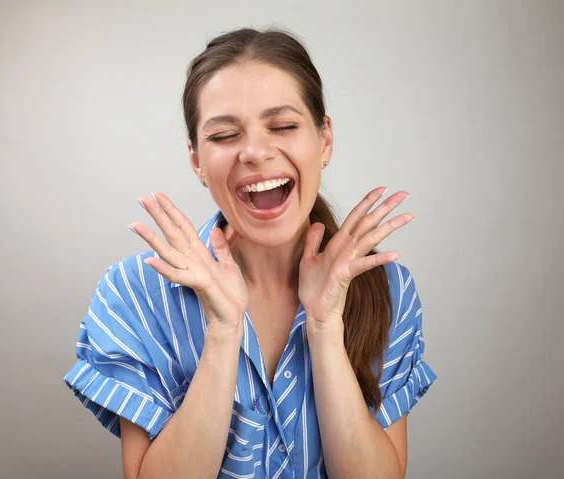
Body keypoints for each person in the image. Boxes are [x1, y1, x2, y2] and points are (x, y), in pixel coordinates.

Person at [63, 27, 437, 479]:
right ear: (197, 161)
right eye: (224, 135)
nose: (256, 152)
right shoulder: (133, 294)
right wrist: (223, 332)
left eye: (282, 126)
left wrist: (323, 326)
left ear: (325, 140)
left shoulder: (388, 289)